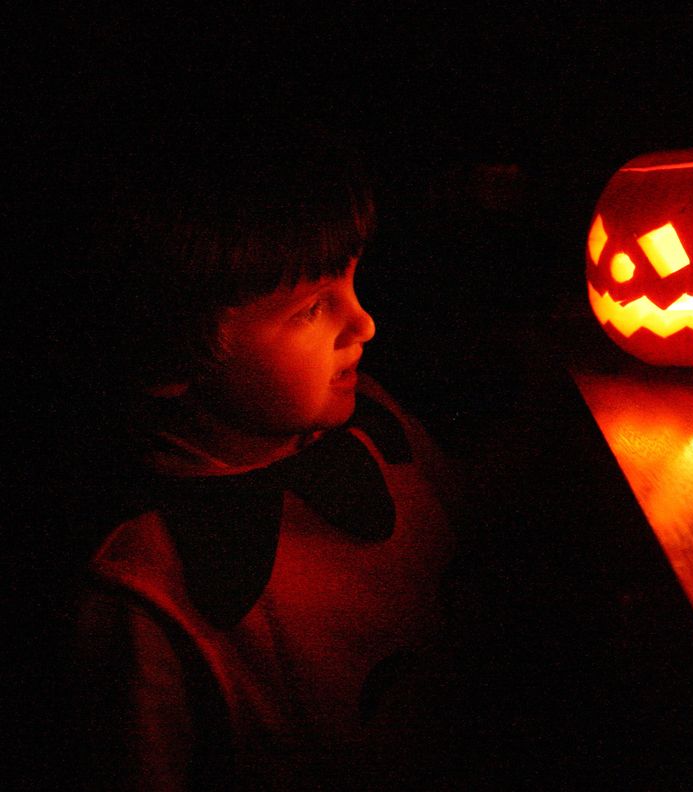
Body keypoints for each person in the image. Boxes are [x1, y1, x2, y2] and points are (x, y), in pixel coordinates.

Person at [68, 113, 458, 790]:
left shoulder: (376, 424)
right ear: (171, 352)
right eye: (312, 309)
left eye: (353, 284)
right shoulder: (147, 586)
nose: (363, 323)